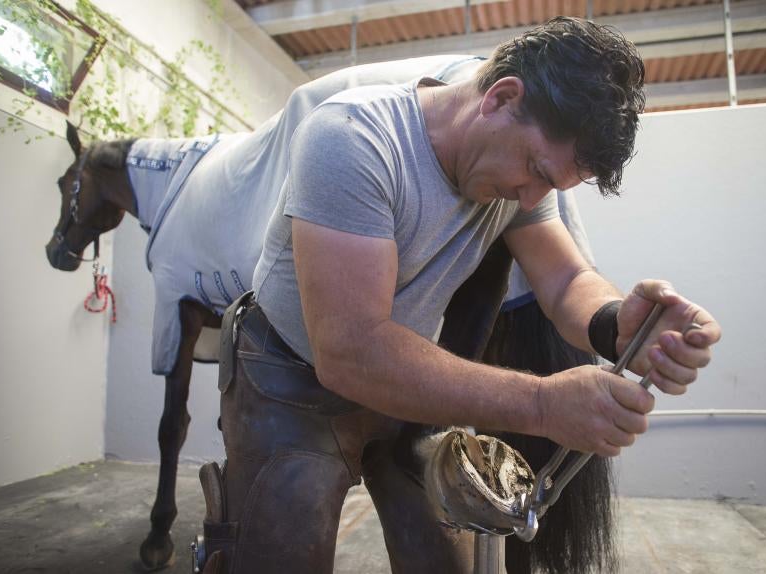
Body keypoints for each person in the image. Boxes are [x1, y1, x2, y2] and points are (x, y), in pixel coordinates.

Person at [201, 16, 721, 574]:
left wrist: (617, 325)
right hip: (289, 379)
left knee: (453, 564)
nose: (532, 196)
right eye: (535, 170)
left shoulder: (516, 173)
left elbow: (565, 279)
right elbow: (351, 350)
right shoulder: (352, 139)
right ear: (501, 97)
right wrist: (543, 404)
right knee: (279, 556)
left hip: (403, 384)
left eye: (551, 185)